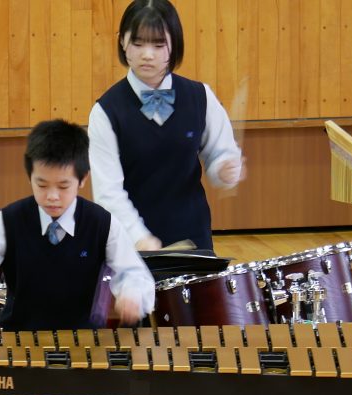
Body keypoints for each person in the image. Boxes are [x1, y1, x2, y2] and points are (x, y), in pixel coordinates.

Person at [0, 119, 155, 395]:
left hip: (86, 354)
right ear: (30, 176)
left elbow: (135, 274)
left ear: (82, 180)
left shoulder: (101, 224)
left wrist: (132, 296)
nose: (52, 196)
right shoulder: (9, 221)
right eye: (41, 185)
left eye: (63, 185)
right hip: (18, 352)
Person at [88, 0, 245, 253]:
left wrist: (224, 169)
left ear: (175, 44)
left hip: (193, 240)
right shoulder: (105, 111)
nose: (147, 54)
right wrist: (139, 236)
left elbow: (220, 155)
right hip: (132, 246)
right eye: (138, 43)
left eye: (158, 45)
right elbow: (108, 193)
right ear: (122, 41)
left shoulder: (200, 96)